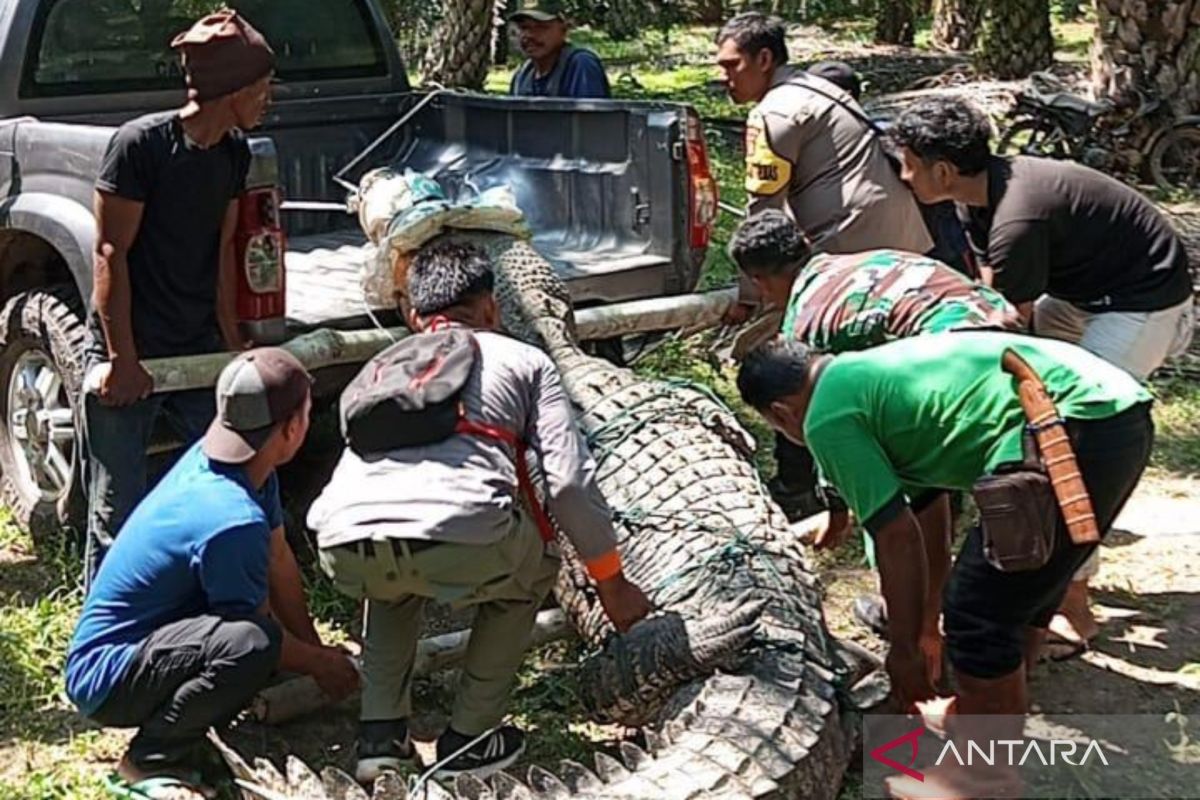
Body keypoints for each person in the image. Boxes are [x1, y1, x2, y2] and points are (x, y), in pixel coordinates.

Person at [737, 333, 1153, 798]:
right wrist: (924, 629)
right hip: (1115, 410)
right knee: (1027, 579)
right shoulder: (867, 376)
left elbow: (895, 539)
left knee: (978, 613)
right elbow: (927, 515)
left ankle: (981, 778)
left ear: (780, 413)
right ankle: (993, 714)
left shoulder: (826, 417)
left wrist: (904, 652)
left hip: (1065, 422)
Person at [309, 241, 650, 782]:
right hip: (459, 537)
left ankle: (380, 738)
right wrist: (611, 584)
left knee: (391, 583)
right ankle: (468, 741)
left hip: (341, 543)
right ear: (491, 308)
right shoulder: (524, 359)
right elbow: (566, 483)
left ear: (414, 314)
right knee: (533, 570)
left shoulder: (377, 367)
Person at [891, 95, 1194, 654]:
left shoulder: (1018, 217)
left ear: (942, 170)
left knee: (1073, 440)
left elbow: (1007, 327)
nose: (902, 174)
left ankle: (1074, 610)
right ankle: (1045, 585)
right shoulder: (974, 195)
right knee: (1037, 413)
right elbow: (994, 295)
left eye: (907, 162)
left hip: (1141, 298)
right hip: (1082, 291)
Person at [66, 348, 359, 800]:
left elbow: (278, 559)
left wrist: (315, 651)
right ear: (292, 428)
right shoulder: (231, 516)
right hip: (107, 678)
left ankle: (188, 729)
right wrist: (321, 666)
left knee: (255, 645)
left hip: (151, 642)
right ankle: (149, 758)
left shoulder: (244, 466)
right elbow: (258, 634)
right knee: (250, 647)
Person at [730, 209, 1022, 646]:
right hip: (1010, 331)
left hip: (954, 354)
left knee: (896, 497)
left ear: (759, 279)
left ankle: (915, 623)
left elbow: (827, 431)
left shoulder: (804, 327)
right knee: (934, 488)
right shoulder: (858, 264)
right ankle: (929, 612)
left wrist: (840, 507)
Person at [84, 9, 275, 580]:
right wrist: (122, 360)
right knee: (119, 507)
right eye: (262, 89)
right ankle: (106, 633)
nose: (267, 100)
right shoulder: (140, 146)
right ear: (233, 90)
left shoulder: (233, 154)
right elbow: (110, 254)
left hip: (198, 347)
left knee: (230, 479)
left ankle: (205, 597)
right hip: (133, 349)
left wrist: (233, 341)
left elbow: (220, 252)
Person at [509, 0, 610, 99]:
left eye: (541, 27)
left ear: (564, 29)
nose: (529, 35)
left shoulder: (580, 66)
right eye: (524, 28)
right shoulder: (522, 76)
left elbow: (589, 114)